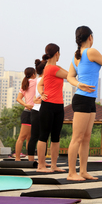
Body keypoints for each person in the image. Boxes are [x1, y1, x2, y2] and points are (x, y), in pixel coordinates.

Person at [66, 26, 102, 181]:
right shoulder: (90, 52)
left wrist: (78, 83)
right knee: (77, 137)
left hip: (90, 99)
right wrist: (79, 85)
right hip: (82, 99)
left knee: (86, 137)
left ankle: (83, 171)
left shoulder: (77, 55)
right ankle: (72, 173)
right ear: (90, 37)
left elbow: (71, 77)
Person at [36, 43, 68, 173]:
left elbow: (41, 84)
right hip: (48, 106)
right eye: (59, 53)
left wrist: (41, 92)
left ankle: (54, 165)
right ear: (57, 54)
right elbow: (69, 75)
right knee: (44, 136)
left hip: (59, 105)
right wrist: (42, 94)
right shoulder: (51, 68)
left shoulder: (52, 68)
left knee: (56, 137)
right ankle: (41, 165)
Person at [15, 67, 37, 161]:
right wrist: (27, 105)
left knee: (29, 137)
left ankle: (30, 158)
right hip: (28, 113)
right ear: (33, 74)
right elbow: (18, 98)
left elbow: (18, 98)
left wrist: (25, 104)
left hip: (31, 112)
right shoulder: (35, 82)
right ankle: (17, 158)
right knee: (23, 137)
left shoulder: (26, 83)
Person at [27, 60, 47, 162]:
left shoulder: (37, 79)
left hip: (36, 110)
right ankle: (39, 161)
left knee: (35, 136)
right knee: (42, 136)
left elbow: (35, 95)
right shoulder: (43, 79)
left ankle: (33, 160)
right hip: (40, 110)